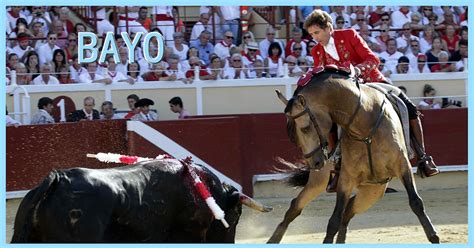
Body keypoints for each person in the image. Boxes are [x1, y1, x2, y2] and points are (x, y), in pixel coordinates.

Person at [303, 9, 439, 193]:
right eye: (311, 34)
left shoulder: (349, 35)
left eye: (316, 33)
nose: (315, 38)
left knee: (409, 107)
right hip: (345, 97)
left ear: (328, 27)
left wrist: (358, 71)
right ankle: (338, 168)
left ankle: (423, 158)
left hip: (372, 82)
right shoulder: (316, 51)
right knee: (327, 122)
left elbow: (372, 59)